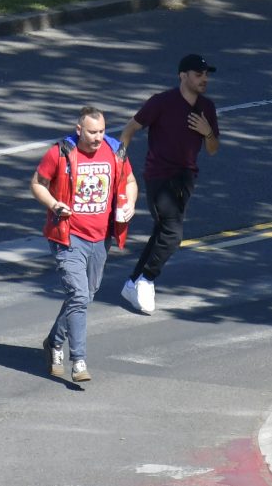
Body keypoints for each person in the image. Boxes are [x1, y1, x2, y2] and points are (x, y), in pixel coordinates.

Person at [35, 105, 136, 387]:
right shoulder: (61, 152)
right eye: (92, 132)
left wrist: (130, 205)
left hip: (100, 238)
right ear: (79, 130)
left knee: (86, 296)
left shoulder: (114, 151)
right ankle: (78, 359)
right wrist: (54, 204)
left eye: (102, 131)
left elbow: (130, 181)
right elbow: (37, 184)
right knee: (79, 296)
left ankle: (54, 342)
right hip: (69, 238)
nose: (98, 137)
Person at [118, 53, 221, 314]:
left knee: (162, 231)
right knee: (173, 234)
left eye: (206, 75)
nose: (204, 79)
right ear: (183, 76)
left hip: (186, 178)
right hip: (159, 176)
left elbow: (212, 149)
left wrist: (207, 131)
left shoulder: (206, 108)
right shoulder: (161, 102)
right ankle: (147, 279)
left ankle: (132, 283)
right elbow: (129, 129)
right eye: (199, 75)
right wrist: (119, 161)